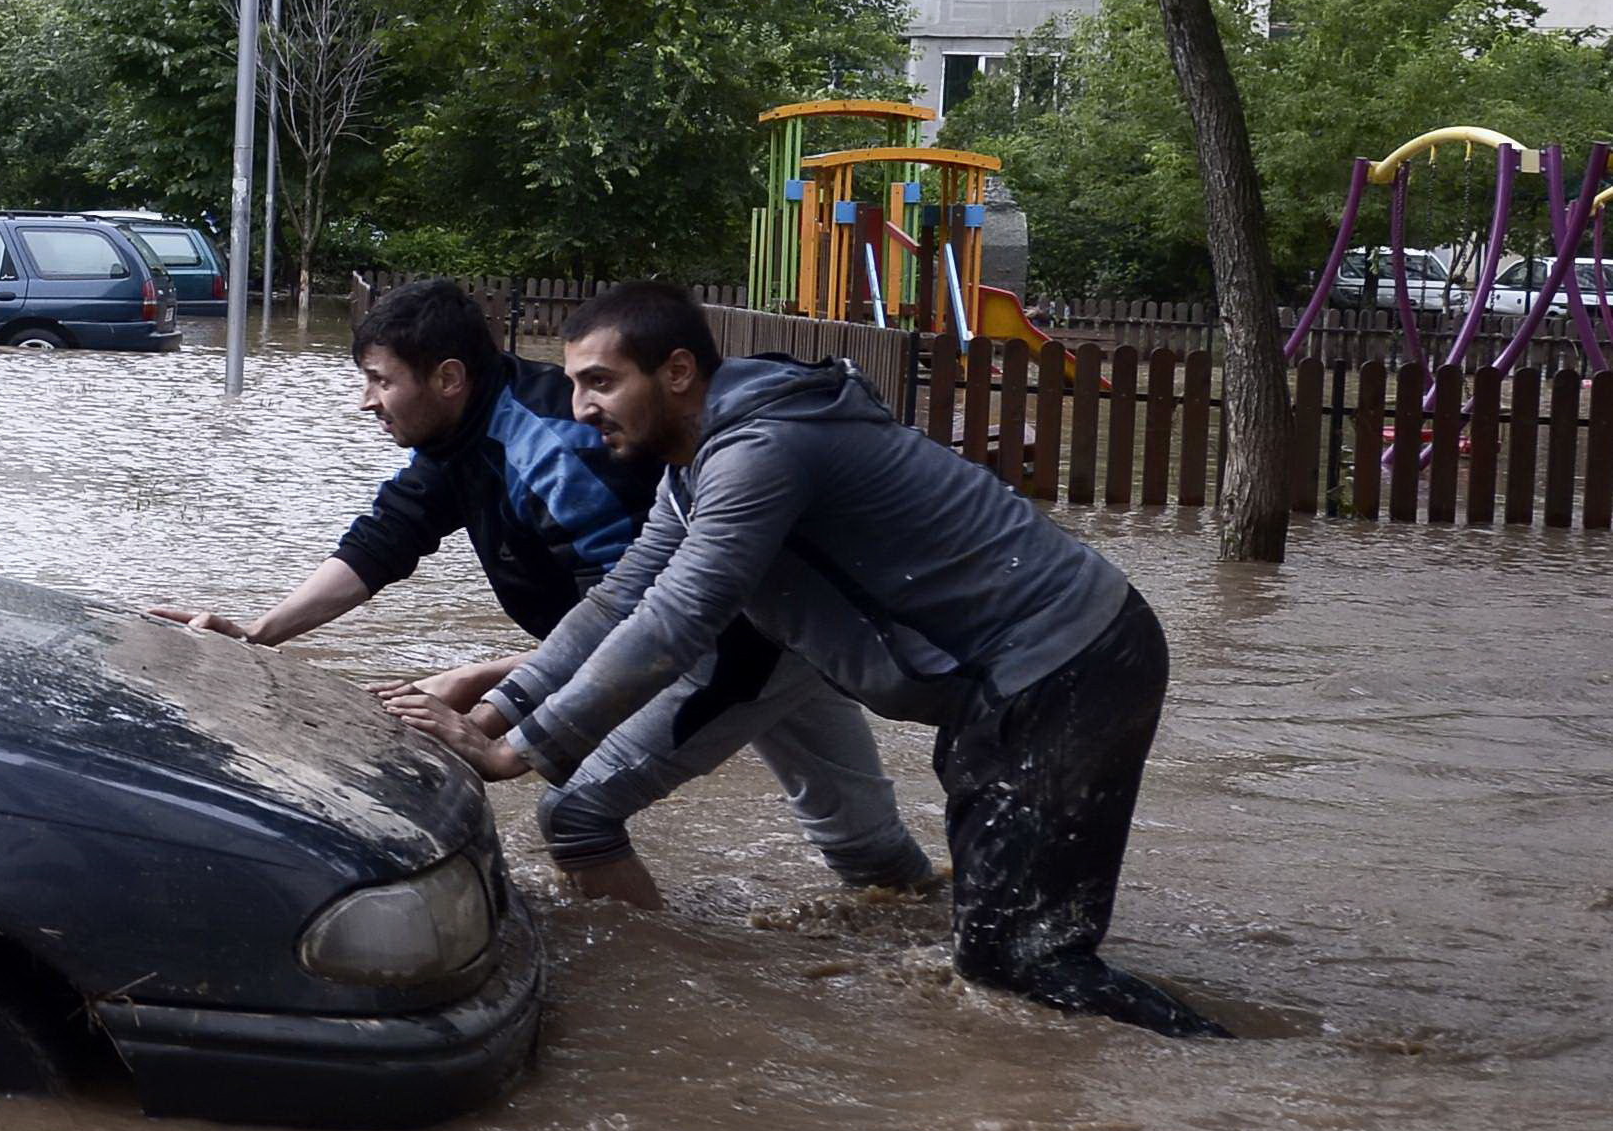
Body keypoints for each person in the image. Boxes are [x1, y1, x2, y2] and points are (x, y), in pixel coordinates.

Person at [393, 281, 1223, 1038]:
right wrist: (495, 713)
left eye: (600, 383)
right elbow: (619, 602)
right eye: (574, 384)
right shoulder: (696, 472)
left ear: (677, 371)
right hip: (1016, 683)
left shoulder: (762, 451)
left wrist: (517, 753)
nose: (579, 409)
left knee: (1022, 965)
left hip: (1067, 667)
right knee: (993, 949)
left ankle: (1228, 1070)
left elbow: (682, 619)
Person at [157, 278, 937, 907]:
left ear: (448, 378)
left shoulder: (552, 448)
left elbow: (639, 612)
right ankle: (920, 948)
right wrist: (259, 632)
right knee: (864, 846)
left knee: (578, 818)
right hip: (770, 632)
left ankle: (655, 995)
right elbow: (382, 542)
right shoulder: (463, 437)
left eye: (379, 381)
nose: (368, 401)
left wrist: (490, 687)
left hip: (734, 644)